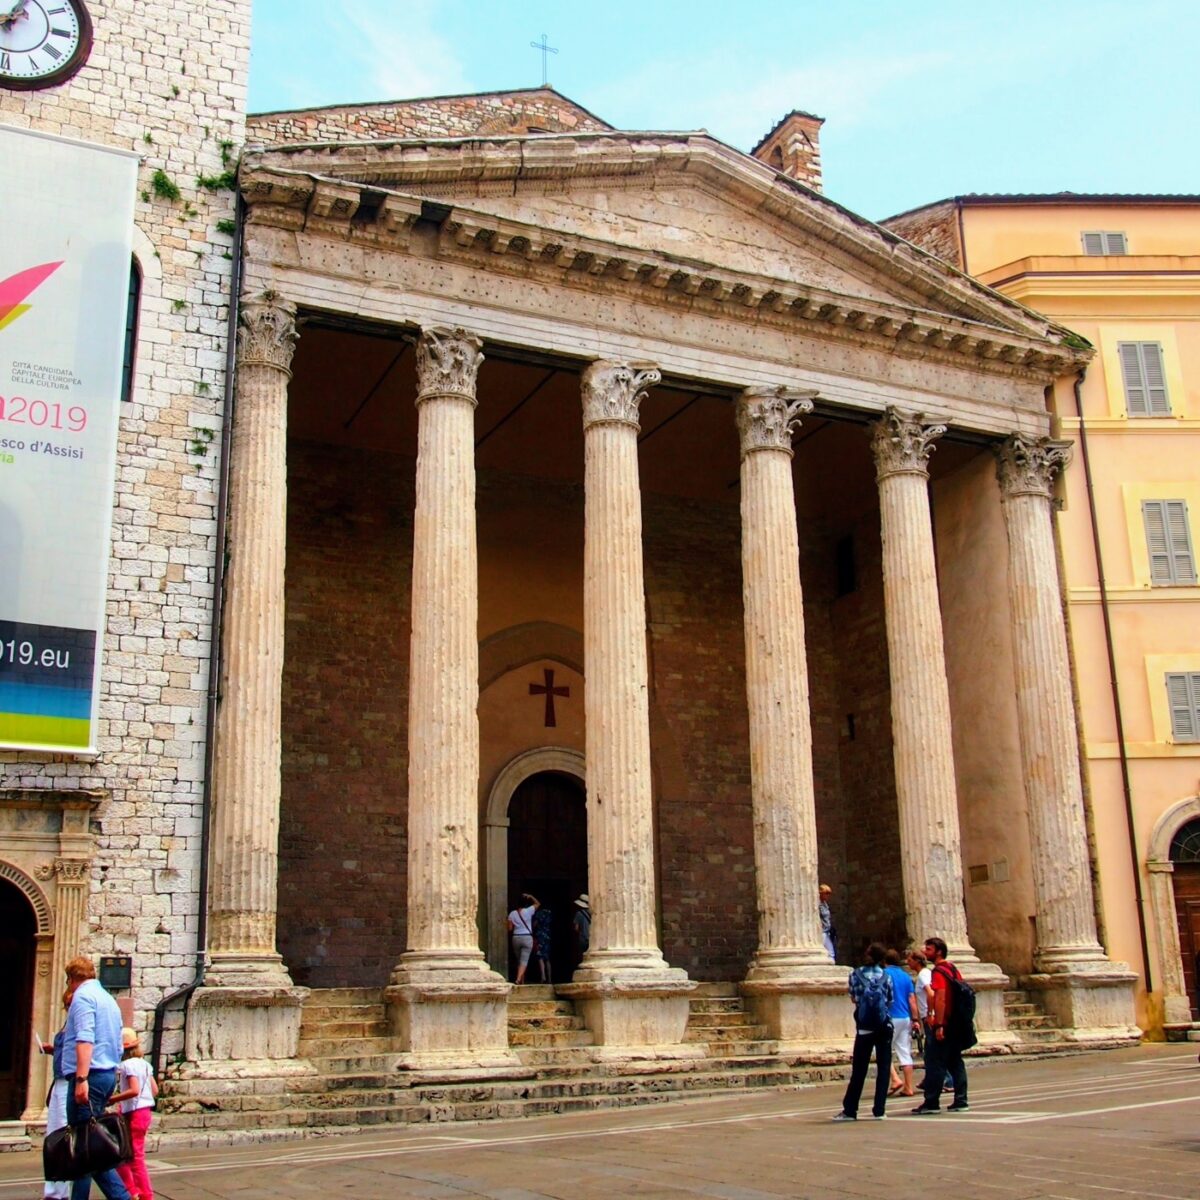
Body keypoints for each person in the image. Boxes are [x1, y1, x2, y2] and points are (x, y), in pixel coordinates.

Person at [61, 955, 132, 1200]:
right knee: (86, 1147)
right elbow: (118, 1043)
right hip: (106, 1074)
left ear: (72, 979)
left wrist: (81, 1079)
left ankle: (122, 1197)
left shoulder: (82, 997)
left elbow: (85, 1038)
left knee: (86, 1148)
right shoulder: (108, 999)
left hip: (89, 1076)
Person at [832, 942, 894, 1122]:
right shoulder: (886, 976)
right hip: (884, 1026)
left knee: (859, 1069)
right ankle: (880, 1110)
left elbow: (853, 997)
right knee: (883, 1068)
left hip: (865, 1027)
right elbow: (890, 1000)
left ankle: (850, 1110)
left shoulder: (855, 974)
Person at [912, 936, 969, 1114]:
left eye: (928, 949)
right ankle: (961, 1099)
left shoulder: (939, 972)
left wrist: (938, 1023)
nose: (925, 952)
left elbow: (940, 997)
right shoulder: (953, 969)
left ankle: (931, 1102)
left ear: (938, 951)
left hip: (945, 1023)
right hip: (957, 1022)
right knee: (955, 1061)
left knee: (935, 1062)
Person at [108, 1027, 158, 1200]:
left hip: (134, 1112)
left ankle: (139, 1193)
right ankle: (138, 1192)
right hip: (145, 1112)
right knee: (135, 1155)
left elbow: (134, 1090)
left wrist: (114, 1099)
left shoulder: (126, 1066)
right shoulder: (145, 1064)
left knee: (129, 1155)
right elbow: (155, 1090)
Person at [41, 987, 76, 1200]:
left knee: (63, 1137)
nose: (68, 1008)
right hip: (59, 1081)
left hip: (68, 1082)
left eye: (70, 1005)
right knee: (52, 1136)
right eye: (66, 1005)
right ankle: (53, 1190)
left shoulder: (80, 1025)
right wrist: (52, 1049)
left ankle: (61, 1190)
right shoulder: (67, 1025)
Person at [883, 949, 919, 1097]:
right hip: (905, 1017)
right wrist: (915, 1019)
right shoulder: (906, 976)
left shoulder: (884, 975)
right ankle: (909, 1087)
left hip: (890, 1016)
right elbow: (912, 999)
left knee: (883, 1051)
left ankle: (895, 1079)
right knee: (904, 1051)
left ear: (884, 962)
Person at [507, 891, 539, 984]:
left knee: (519, 960)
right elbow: (538, 903)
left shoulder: (512, 914)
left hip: (516, 937)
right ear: (526, 904)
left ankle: (522, 980)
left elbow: (509, 928)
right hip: (527, 937)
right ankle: (518, 979)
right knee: (524, 960)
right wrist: (531, 896)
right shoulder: (529, 911)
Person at [531, 903, 553, 984]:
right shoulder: (549, 913)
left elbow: (534, 925)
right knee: (547, 958)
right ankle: (550, 978)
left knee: (540, 957)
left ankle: (543, 976)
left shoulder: (539, 913)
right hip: (547, 935)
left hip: (540, 936)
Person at [818, 884, 837, 961]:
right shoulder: (818, 904)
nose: (827, 896)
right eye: (826, 894)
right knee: (829, 952)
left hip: (827, 930)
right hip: (822, 931)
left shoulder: (825, 904)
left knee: (830, 952)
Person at [572, 894, 591, 963]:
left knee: (582, 956)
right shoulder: (591, 913)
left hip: (582, 938)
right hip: (591, 938)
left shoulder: (578, 914)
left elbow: (576, 928)